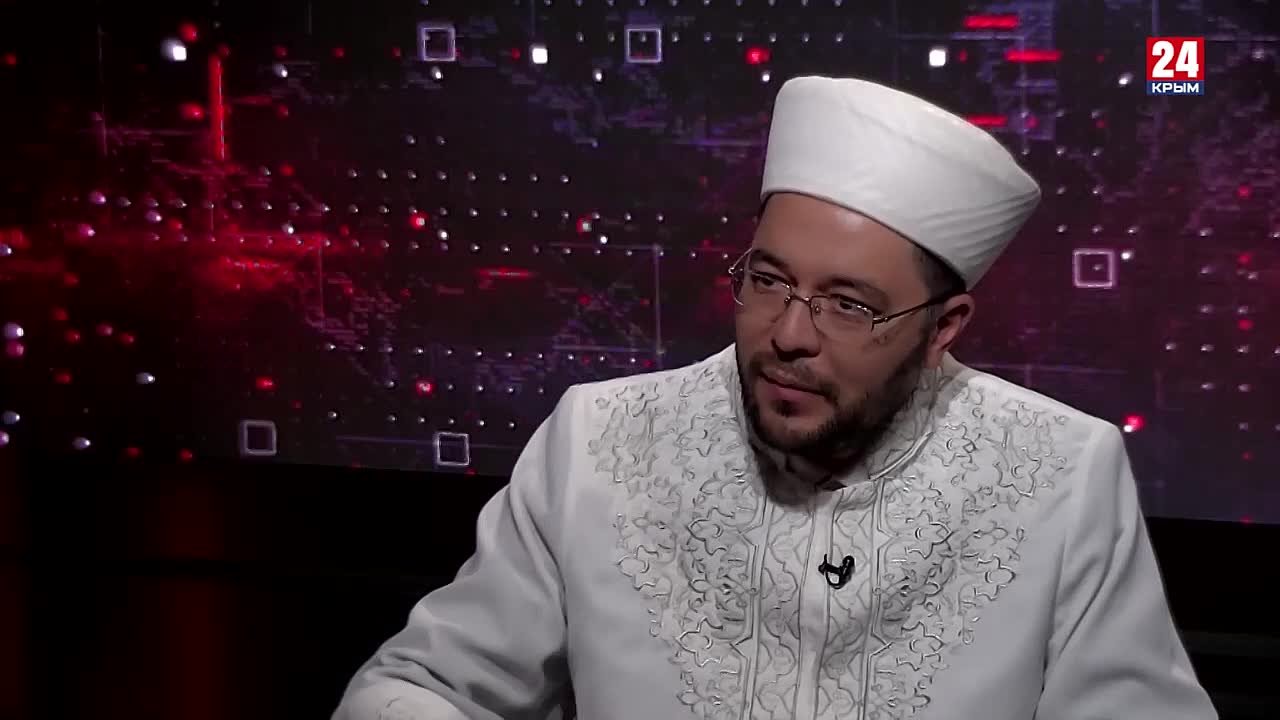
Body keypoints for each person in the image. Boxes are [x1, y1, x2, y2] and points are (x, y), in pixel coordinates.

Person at [332, 76, 1216, 720]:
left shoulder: (1061, 471)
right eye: (768, 280)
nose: (790, 334)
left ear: (943, 327)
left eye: (849, 304)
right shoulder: (600, 440)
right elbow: (420, 687)